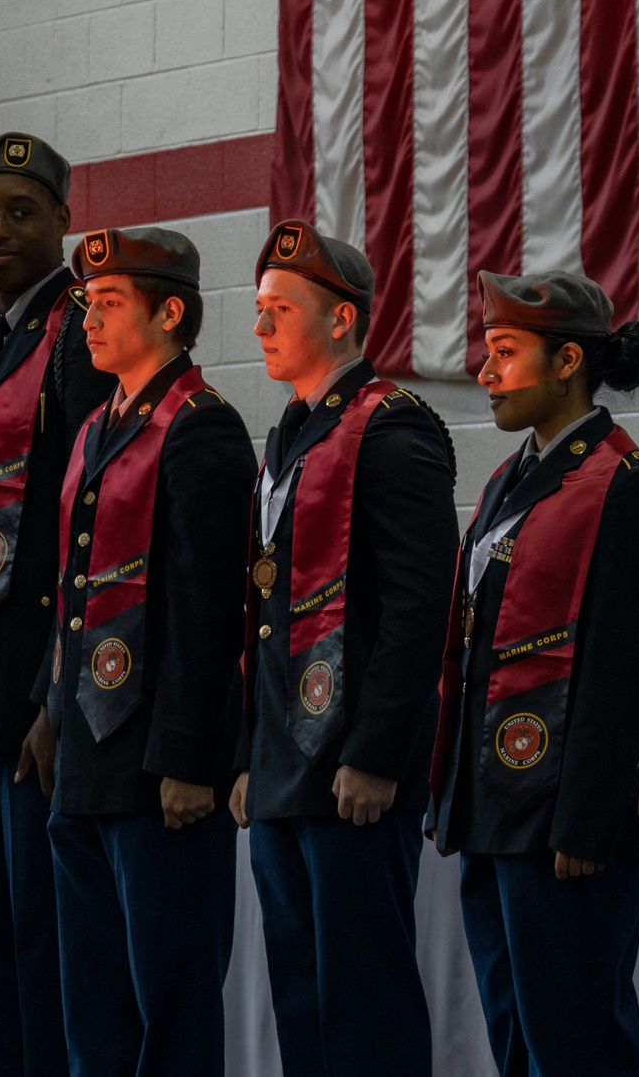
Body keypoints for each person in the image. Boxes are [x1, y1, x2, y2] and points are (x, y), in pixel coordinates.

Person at [229, 220, 456, 1077]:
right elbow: (267, 616)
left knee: (365, 1005)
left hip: (353, 771)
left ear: (343, 321)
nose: (260, 327)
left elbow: (416, 613)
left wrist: (376, 753)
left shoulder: (396, 429)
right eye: (258, 309)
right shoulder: (289, 431)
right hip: (286, 769)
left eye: (280, 308)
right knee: (303, 1001)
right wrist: (252, 752)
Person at [37, 227, 255, 1075]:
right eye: (87, 303)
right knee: (92, 1002)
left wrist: (190, 760)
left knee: (169, 999)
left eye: (110, 303)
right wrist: (52, 717)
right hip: (89, 761)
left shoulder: (203, 428)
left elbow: (209, 614)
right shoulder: (97, 426)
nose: (89, 318)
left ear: (170, 312)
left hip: (160, 768)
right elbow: (76, 597)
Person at [429, 270, 639, 1077]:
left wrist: (588, 817)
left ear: (567, 362)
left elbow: (621, 668)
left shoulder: (625, 484)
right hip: (498, 806)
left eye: (504, 352)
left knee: (577, 1038)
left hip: (567, 817)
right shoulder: (503, 483)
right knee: (516, 1034)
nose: (484, 373)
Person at [0, 131, 115, 1077]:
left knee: (42, 953)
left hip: (36, 704)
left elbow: (96, 532)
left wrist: (57, 697)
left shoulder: (82, 335)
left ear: (64, 223)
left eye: (21, 211)